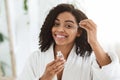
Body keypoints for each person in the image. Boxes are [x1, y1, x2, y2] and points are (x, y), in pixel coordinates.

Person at [17, 3, 120, 80]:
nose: (60, 29)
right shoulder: (36, 58)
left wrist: (94, 42)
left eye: (68, 26)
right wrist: (45, 77)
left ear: (79, 32)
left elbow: (111, 76)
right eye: (56, 24)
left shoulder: (89, 59)